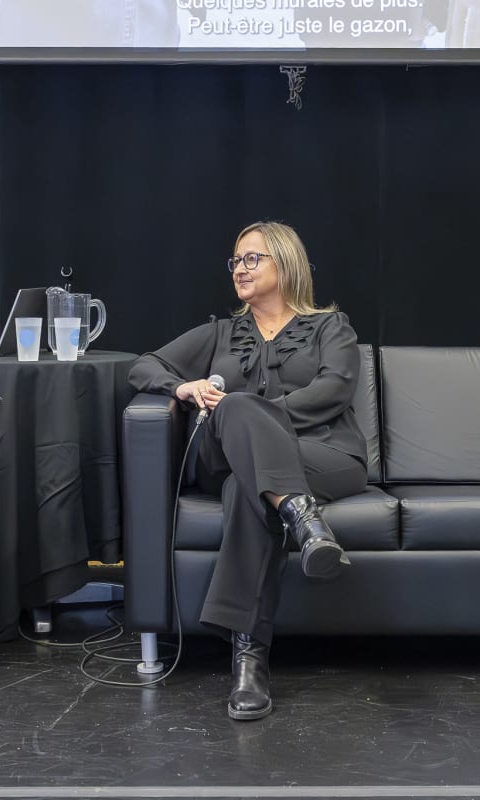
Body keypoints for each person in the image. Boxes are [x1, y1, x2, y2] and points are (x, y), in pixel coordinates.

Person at [128, 221, 367, 721]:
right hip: (229, 450)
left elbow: (334, 391)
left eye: (252, 258)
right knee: (235, 411)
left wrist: (256, 416)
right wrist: (184, 389)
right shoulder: (220, 332)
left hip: (325, 457)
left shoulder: (330, 326)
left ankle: (249, 659)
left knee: (246, 482)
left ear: (286, 263)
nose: (240, 268)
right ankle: (304, 518)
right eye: (235, 261)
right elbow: (144, 365)